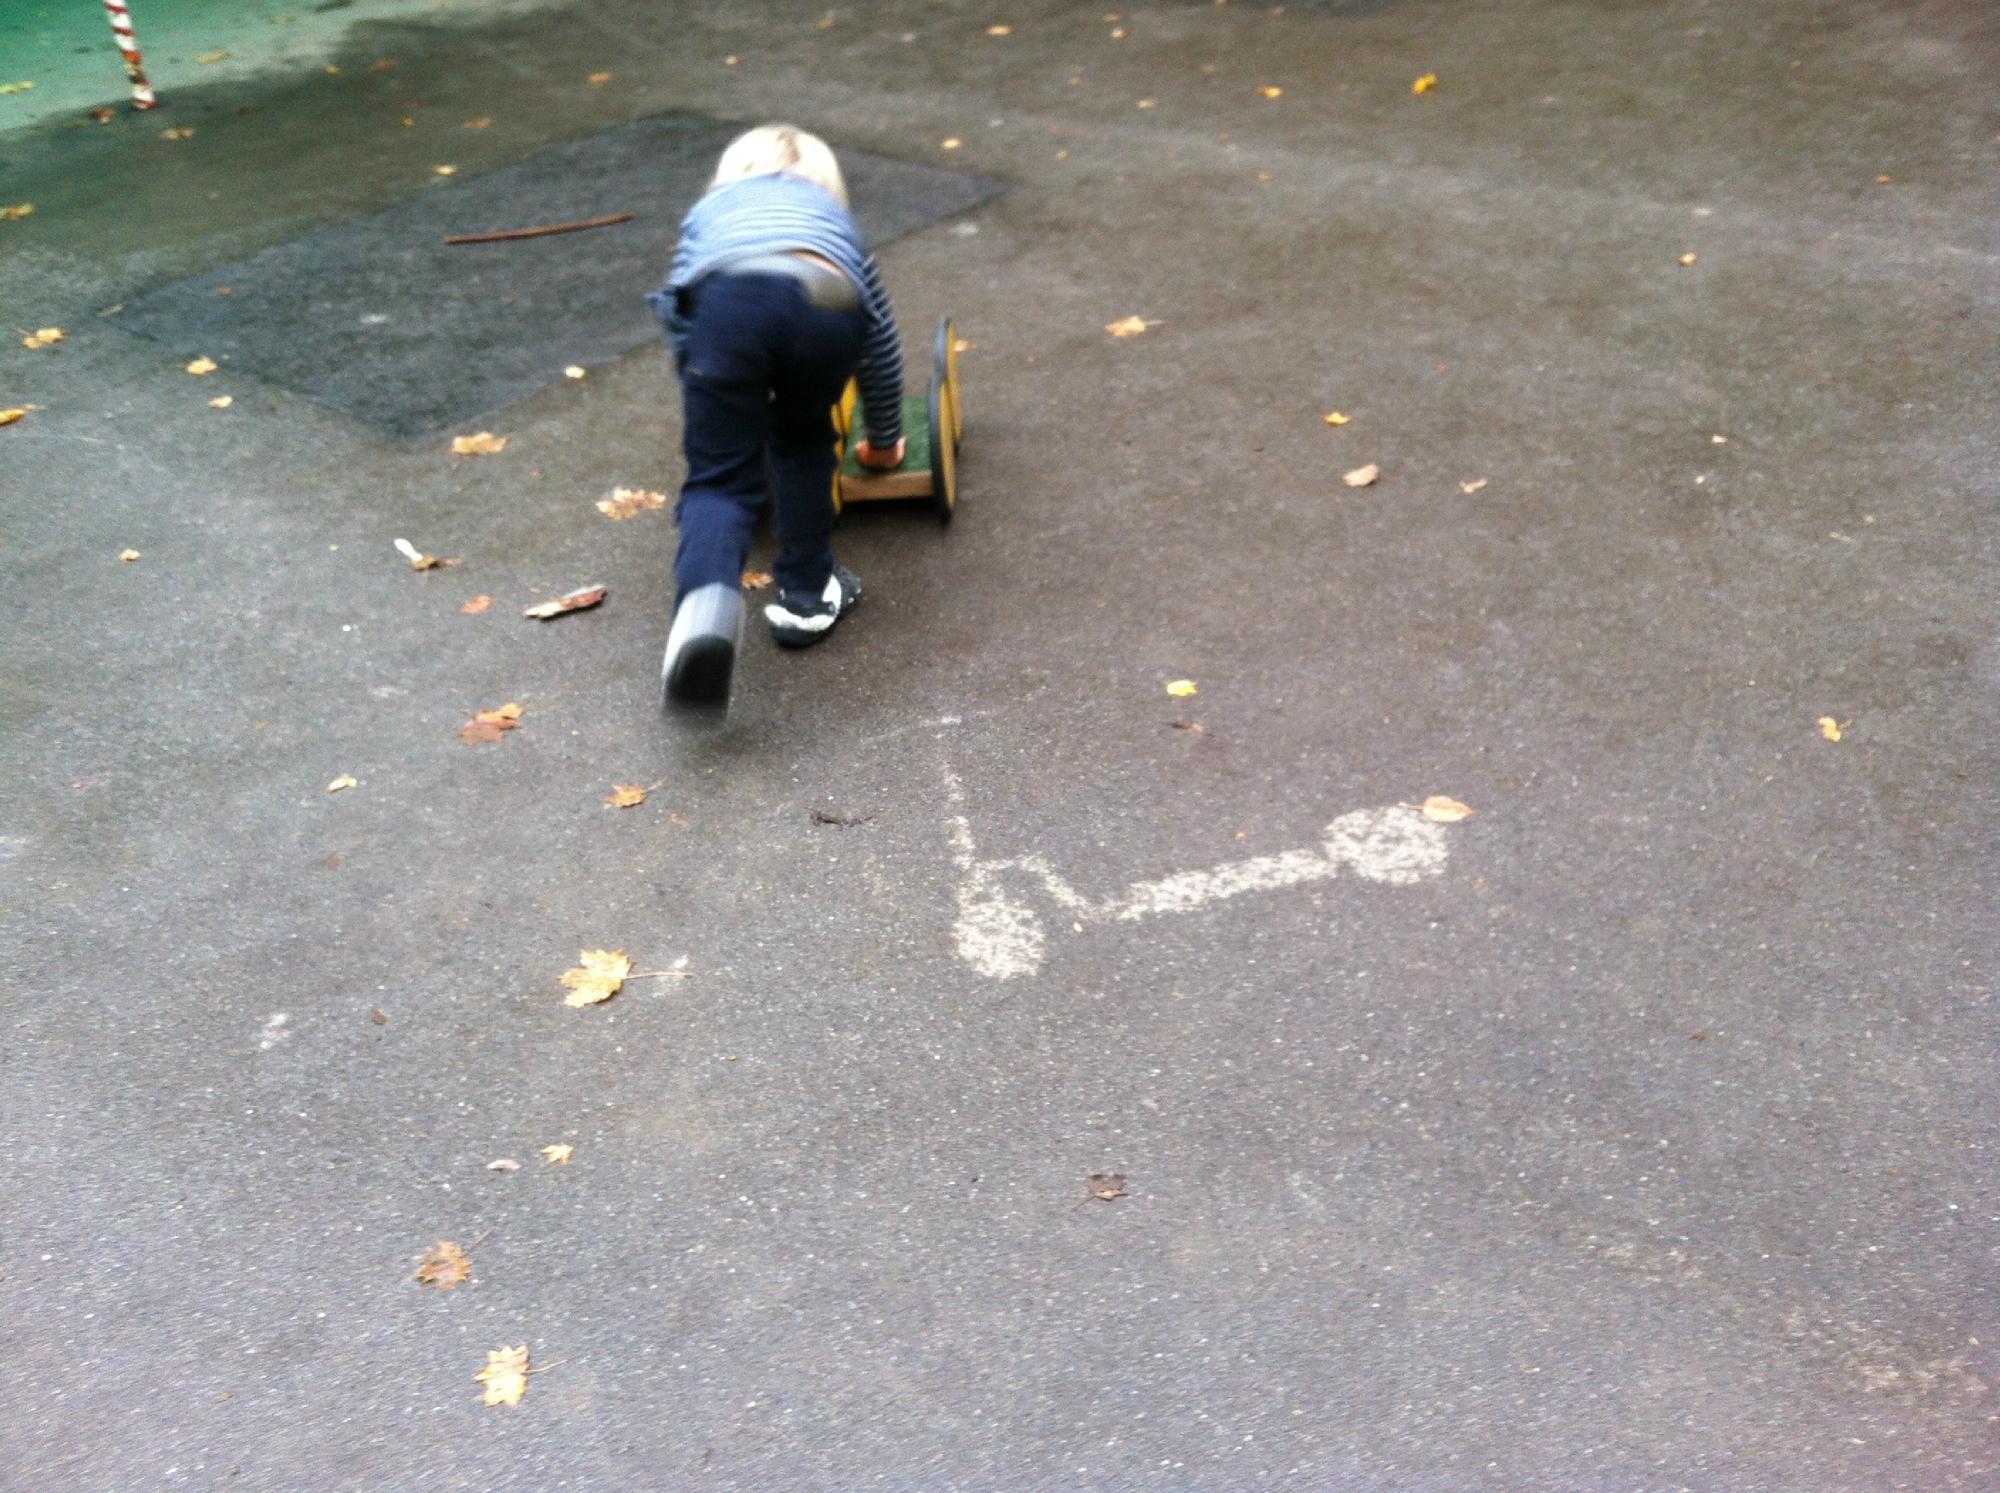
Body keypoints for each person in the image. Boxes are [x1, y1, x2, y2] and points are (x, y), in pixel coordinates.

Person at [647, 124, 906, 706]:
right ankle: (807, 597)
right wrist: (885, 437)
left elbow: (678, 305)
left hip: (730, 300)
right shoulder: (834, 224)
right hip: (827, 302)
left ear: (730, 172)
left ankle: (705, 608)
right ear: (826, 182)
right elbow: (880, 341)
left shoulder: (712, 211)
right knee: (804, 439)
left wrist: (706, 387)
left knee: (720, 480)